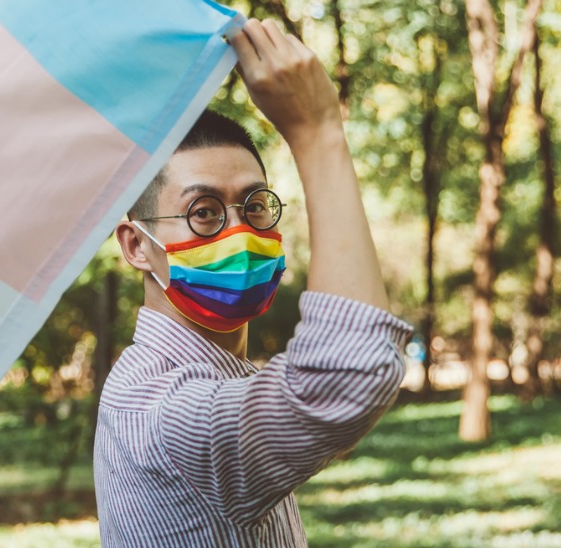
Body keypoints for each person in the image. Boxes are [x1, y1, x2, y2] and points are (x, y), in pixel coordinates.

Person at [92, 19, 413, 546]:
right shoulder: (157, 409)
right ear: (135, 246)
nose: (240, 232)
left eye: (255, 205)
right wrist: (317, 133)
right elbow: (348, 375)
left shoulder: (219, 377)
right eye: (203, 211)